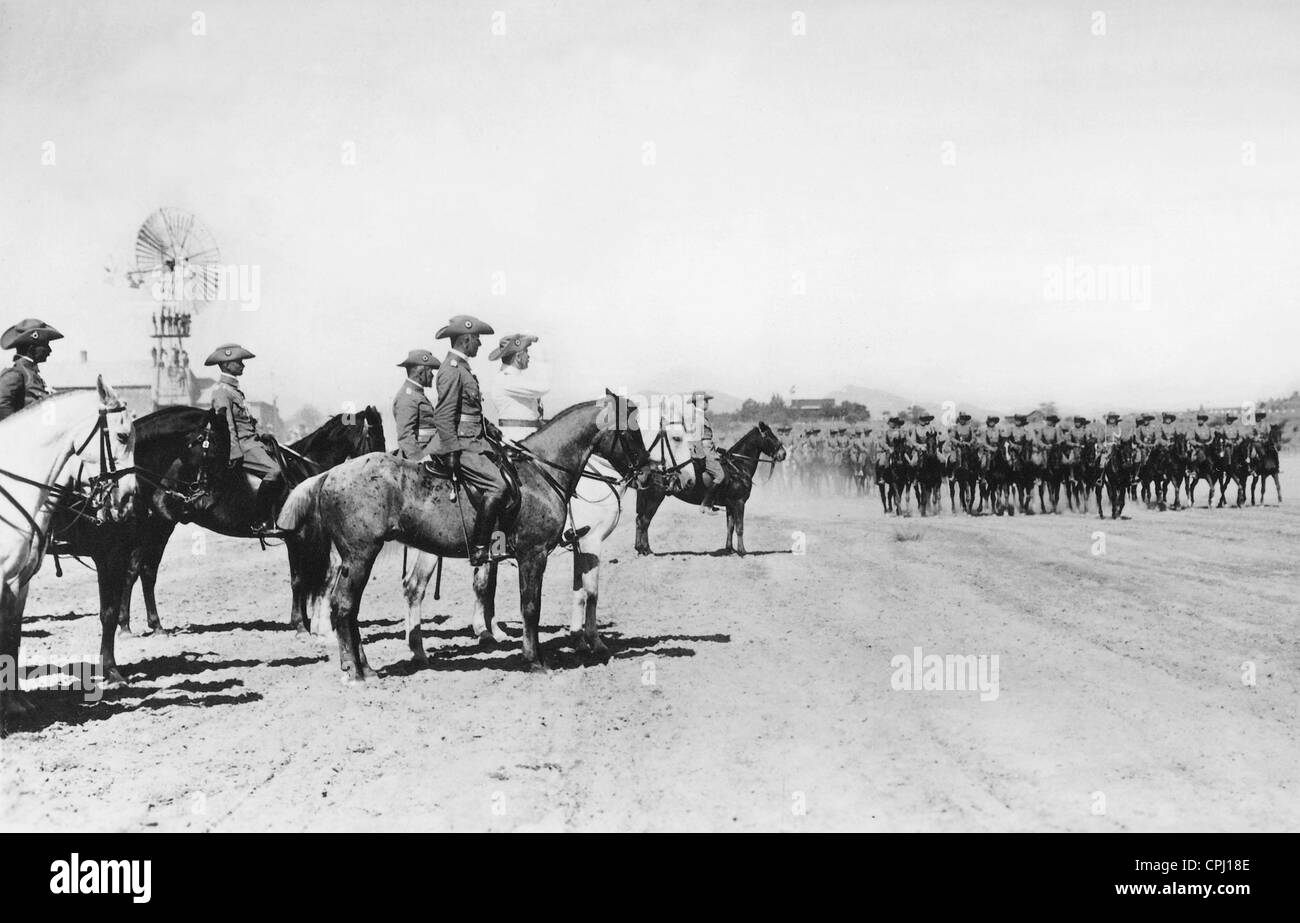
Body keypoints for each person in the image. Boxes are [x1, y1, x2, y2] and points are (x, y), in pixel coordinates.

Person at [431, 314, 509, 565]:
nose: (480, 344)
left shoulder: (462, 368)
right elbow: (444, 415)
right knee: (498, 485)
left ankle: (502, 543)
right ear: (465, 340)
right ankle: (480, 548)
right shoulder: (452, 370)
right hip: (463, 445)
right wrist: (452, 452)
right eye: (477, 339)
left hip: (475, 440)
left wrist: (488, 427)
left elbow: (467, 409)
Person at [205, 343, 283, 533]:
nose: (242, 365)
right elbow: (228, 426)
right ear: (226, 365)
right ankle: (259, 521)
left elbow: (247, 420)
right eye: (238, 362)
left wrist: (262, 433)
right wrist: (235, 452)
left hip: (253, 442)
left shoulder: (234, 390)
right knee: (274, 471)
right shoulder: (222, 391)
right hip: (243, 445)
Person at [486, 333, 551, 442]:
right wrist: (543, 360)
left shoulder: (513, 378)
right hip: (518, 438)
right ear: (518, 357)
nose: (529, 356)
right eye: (526, 352)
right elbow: (545, 387)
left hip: (526, 436)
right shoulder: (506, 379)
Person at [0, 318, 62, 420]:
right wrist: (17, 429)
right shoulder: (15, 375)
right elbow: (1, 404)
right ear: (31, 349)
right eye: (45, 345)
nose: (49, 350)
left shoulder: (31, 374)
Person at [393, 349, 440, 459]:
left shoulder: (416, 395)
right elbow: (405, 436)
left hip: (431, 453)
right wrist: (419, 459)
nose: (432, 376)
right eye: (430, 371)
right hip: (421, 458)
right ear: (420, 371)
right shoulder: (407, 397)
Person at [683, 390, 724, 512]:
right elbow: (695, 440)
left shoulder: (701, 416)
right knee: (720, 476)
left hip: (709, 450)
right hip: (705, 453)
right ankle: (706, 504)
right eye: (705, 400)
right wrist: (700, 457)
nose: (707, 403)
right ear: (699, 403)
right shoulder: (697, 418)